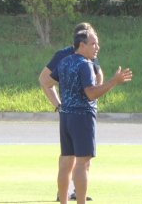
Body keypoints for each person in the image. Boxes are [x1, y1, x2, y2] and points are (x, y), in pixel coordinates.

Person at [48, 23, 133, 204]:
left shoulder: (64, 61)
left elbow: (48, 82)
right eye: (93, 44)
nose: (97, 47)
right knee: (82, 164)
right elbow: (91, 93)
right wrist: (114, 81)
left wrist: (59, 104)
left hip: (66, 117)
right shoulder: (85, 65)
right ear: (82, 45)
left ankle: (63, 201)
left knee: (66, 162)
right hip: (82, 116)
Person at [39, 22, 94, 202]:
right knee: (73, 160)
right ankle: (69, 193)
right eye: (90, 39)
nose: (95, 46)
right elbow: (44, 79)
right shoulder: (65, 55)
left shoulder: (88, 55)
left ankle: (77, 193)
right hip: (77, 112)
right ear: (81, 41)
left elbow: (97, 74)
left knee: (80, 159)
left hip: (75, 112)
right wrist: (58, 104)